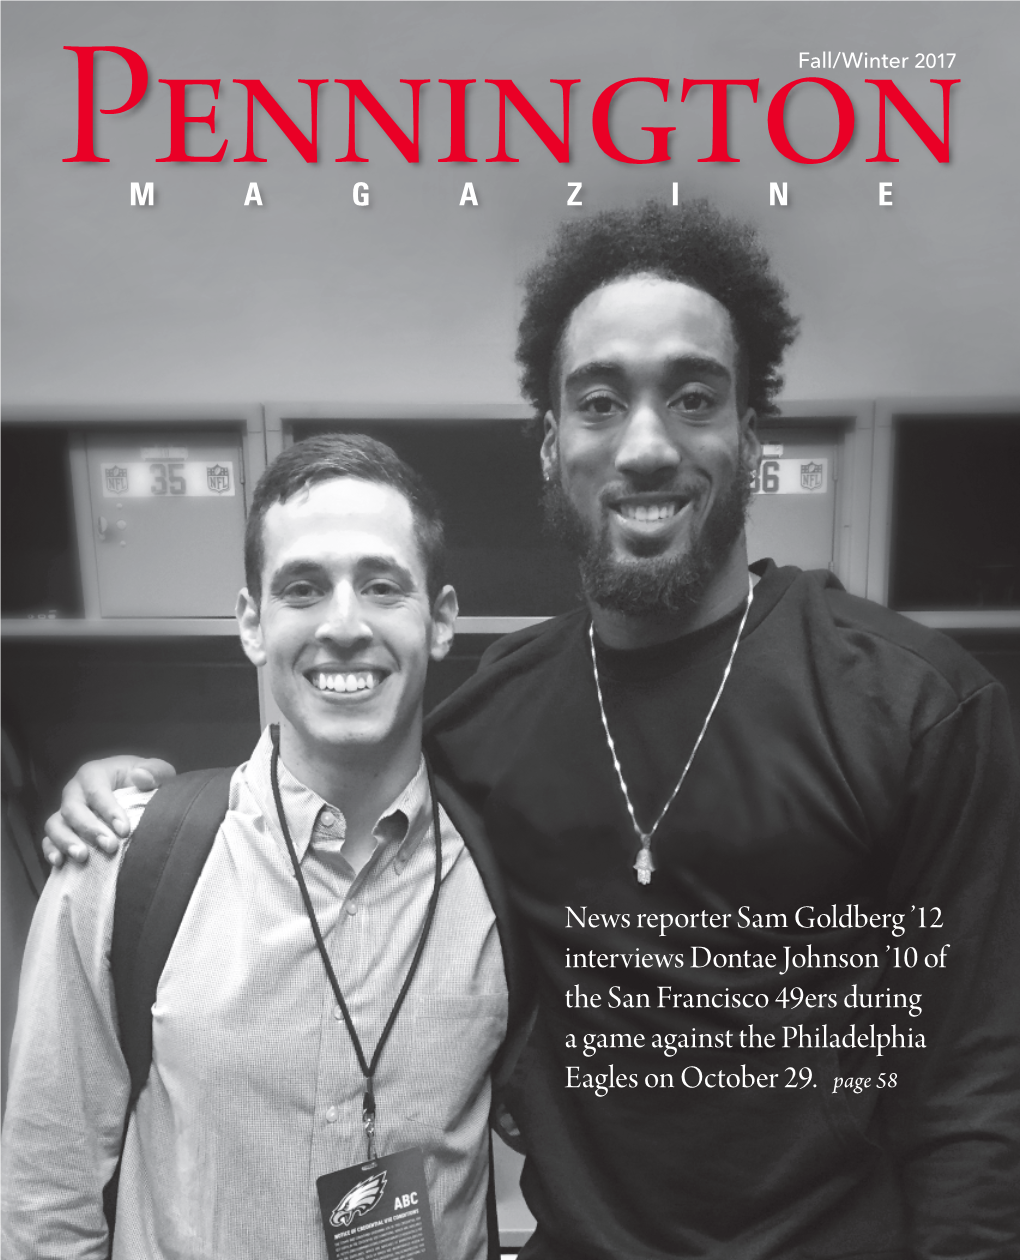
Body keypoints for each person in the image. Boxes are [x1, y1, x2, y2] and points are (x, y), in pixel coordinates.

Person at [42, 201, 1020, 1259]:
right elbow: (339, 783)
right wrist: (133, 796)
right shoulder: (484, 720)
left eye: (694, 398)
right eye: (601, 403)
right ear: (556, 447)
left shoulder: (918, 710)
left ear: (748, 435)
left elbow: (973, 1095)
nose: (645, 445)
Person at [3, 434, 528, 1259]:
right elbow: (46, 1203)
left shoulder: (507, 880)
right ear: (252, 623)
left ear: (442, 620)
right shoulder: (120, 865)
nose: (344, 625)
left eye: (383, 586)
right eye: (303, 589)